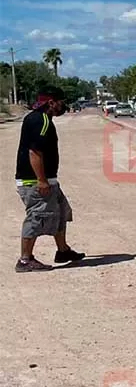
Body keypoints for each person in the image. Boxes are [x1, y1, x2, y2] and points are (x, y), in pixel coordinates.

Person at [14, 87, 85, 272]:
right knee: (37, 217)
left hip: (47, 180)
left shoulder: (38, 118)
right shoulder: (42, 120)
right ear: (51, 102)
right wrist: (42, 180)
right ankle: (25, 260)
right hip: (35, 182)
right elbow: (34, 152)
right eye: (61, 101)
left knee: (61, 211)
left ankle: (63, 251)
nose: (64, 105)